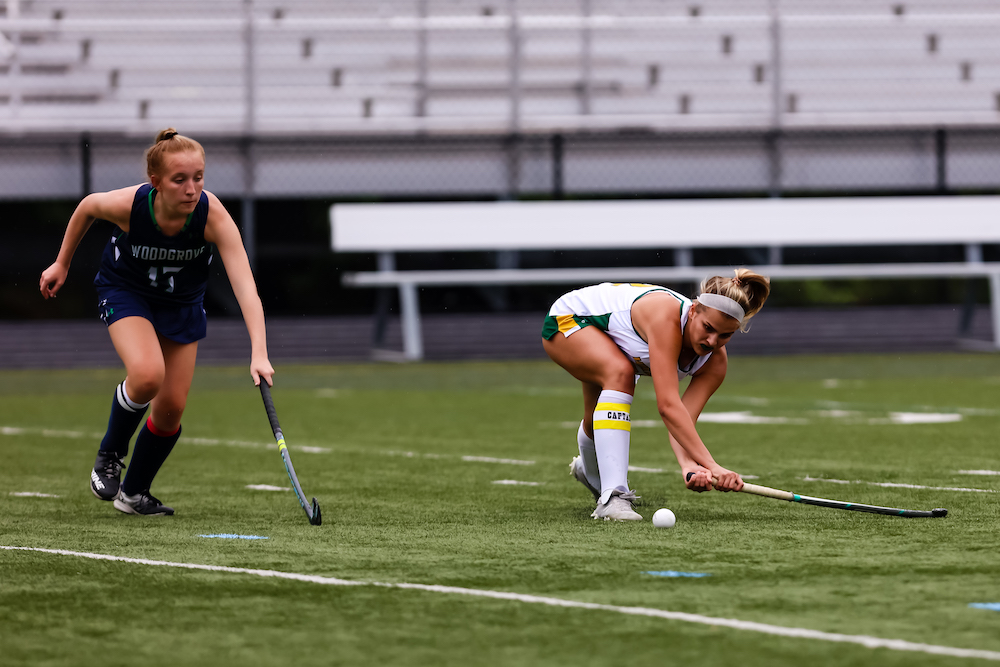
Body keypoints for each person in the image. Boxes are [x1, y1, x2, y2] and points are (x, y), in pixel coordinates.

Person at [39, 128, 274, 517]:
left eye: (198, 177)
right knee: (148, 375)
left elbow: (246, 288)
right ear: (156, 183)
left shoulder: (212, 216)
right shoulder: (131, 206)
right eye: (179, 180)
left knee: (170, 412)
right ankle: (110, 454)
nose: (191, 188)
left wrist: (259, 353)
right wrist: (61, 262)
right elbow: (86, 207)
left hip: (181, 304)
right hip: (126, 292)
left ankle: (132, 496)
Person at [541, 269, 770, 521]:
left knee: (594, 423)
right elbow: (668, 406)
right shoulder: (665, 318)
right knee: (620, 373)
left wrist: (690, 466)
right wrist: (713, 466)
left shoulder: (714, 364)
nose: (712, 341)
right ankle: (613, 497)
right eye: (708, 327)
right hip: (571, 319)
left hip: (611, 338)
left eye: (725, 335)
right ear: (693, 310)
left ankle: (592, 469)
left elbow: (682, 421)